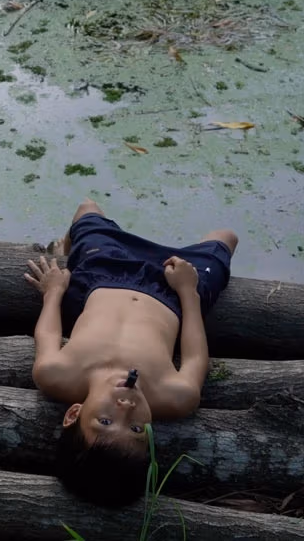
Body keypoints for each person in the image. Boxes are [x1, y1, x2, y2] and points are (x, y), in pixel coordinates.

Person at [24, 198, 237, 506]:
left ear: (74, 413)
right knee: (226, 237)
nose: (125, 407)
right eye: (137, 428)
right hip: (171, 294)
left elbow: (47, 334)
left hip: (104, 273)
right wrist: (189, 291)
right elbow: (194, 357)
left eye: (106, 422)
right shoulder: (176, 396)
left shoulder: (54, 375)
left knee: (87, 208)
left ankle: (66, 249)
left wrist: (53, 292)